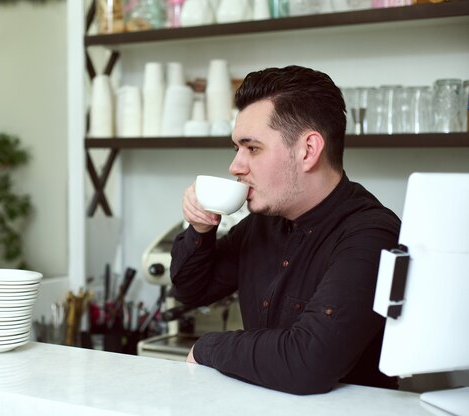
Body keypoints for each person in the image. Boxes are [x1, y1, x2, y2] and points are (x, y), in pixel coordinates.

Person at [170, 65, 400, 395]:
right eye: (236, 149)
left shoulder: (371, 235)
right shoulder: (262, 223)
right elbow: (190, 292)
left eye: (253, 148)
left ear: (308, 150)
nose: (235, 166)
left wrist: (206, 347)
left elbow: (308, 362)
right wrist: (199, 228)